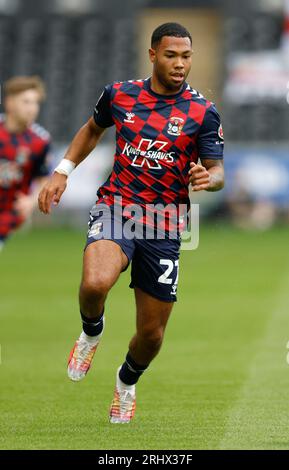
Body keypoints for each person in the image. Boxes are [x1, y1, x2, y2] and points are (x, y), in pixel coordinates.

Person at [38, 22, 224, 424]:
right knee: (94, 284)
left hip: (165, 222)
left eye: (186, 56)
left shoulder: (202, 112)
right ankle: (91, 333)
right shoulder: (120, 94)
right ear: (153, 54)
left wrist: (209, 179)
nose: (180, 64)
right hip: (117, 206)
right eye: (171, 55)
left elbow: (217, 168)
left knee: (152, 335)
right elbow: (92, 129)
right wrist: (62, 171)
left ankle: (125, 383)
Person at [0, 76, 51, 251]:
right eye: (26, 102)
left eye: (35, 103)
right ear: (9, 103)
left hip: (7, 213)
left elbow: (43, 179)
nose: (32, 108)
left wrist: (30, 202)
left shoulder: (40, 141)